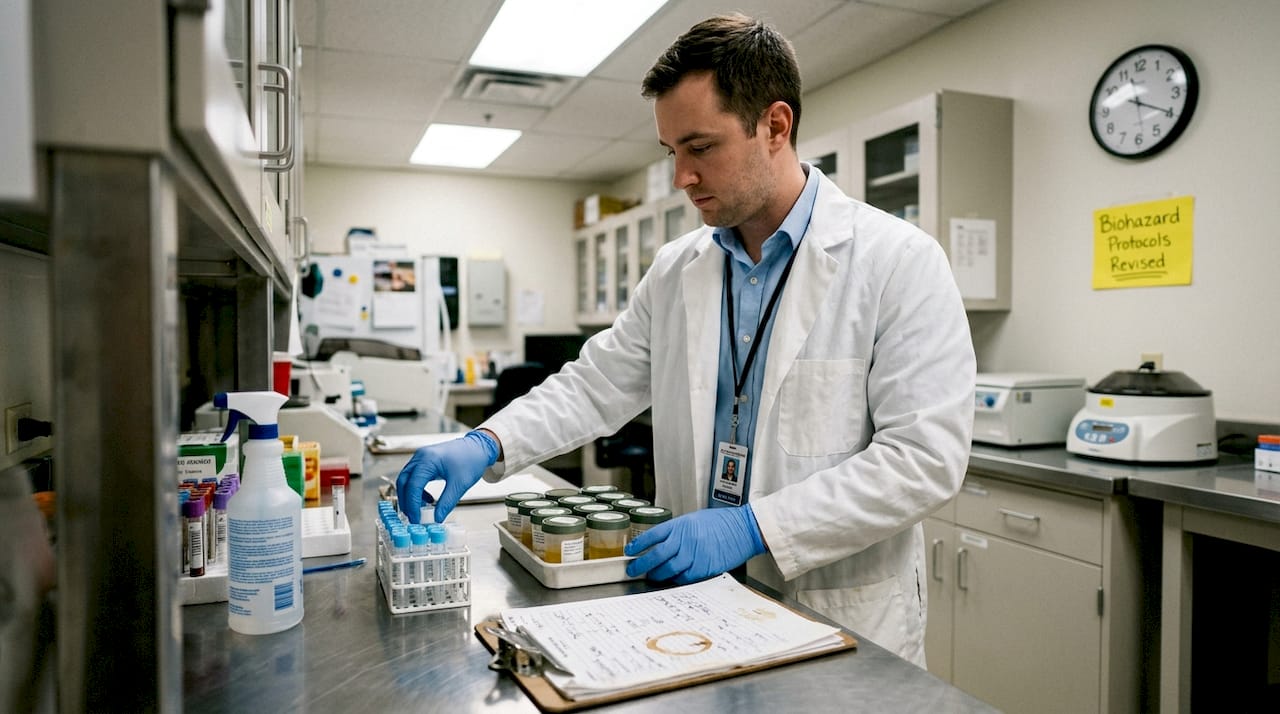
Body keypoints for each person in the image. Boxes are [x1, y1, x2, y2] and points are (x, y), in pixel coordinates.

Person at [397, 13, 975, 667]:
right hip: (697, 608)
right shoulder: (679, 269)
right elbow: (596, 383)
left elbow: (923, 459)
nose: (682, 178)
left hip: (837, 612)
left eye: (700, 148)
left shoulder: (897, 260)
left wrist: (756, 527)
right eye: (672, 152)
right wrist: (488, 443)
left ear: (775, 127)